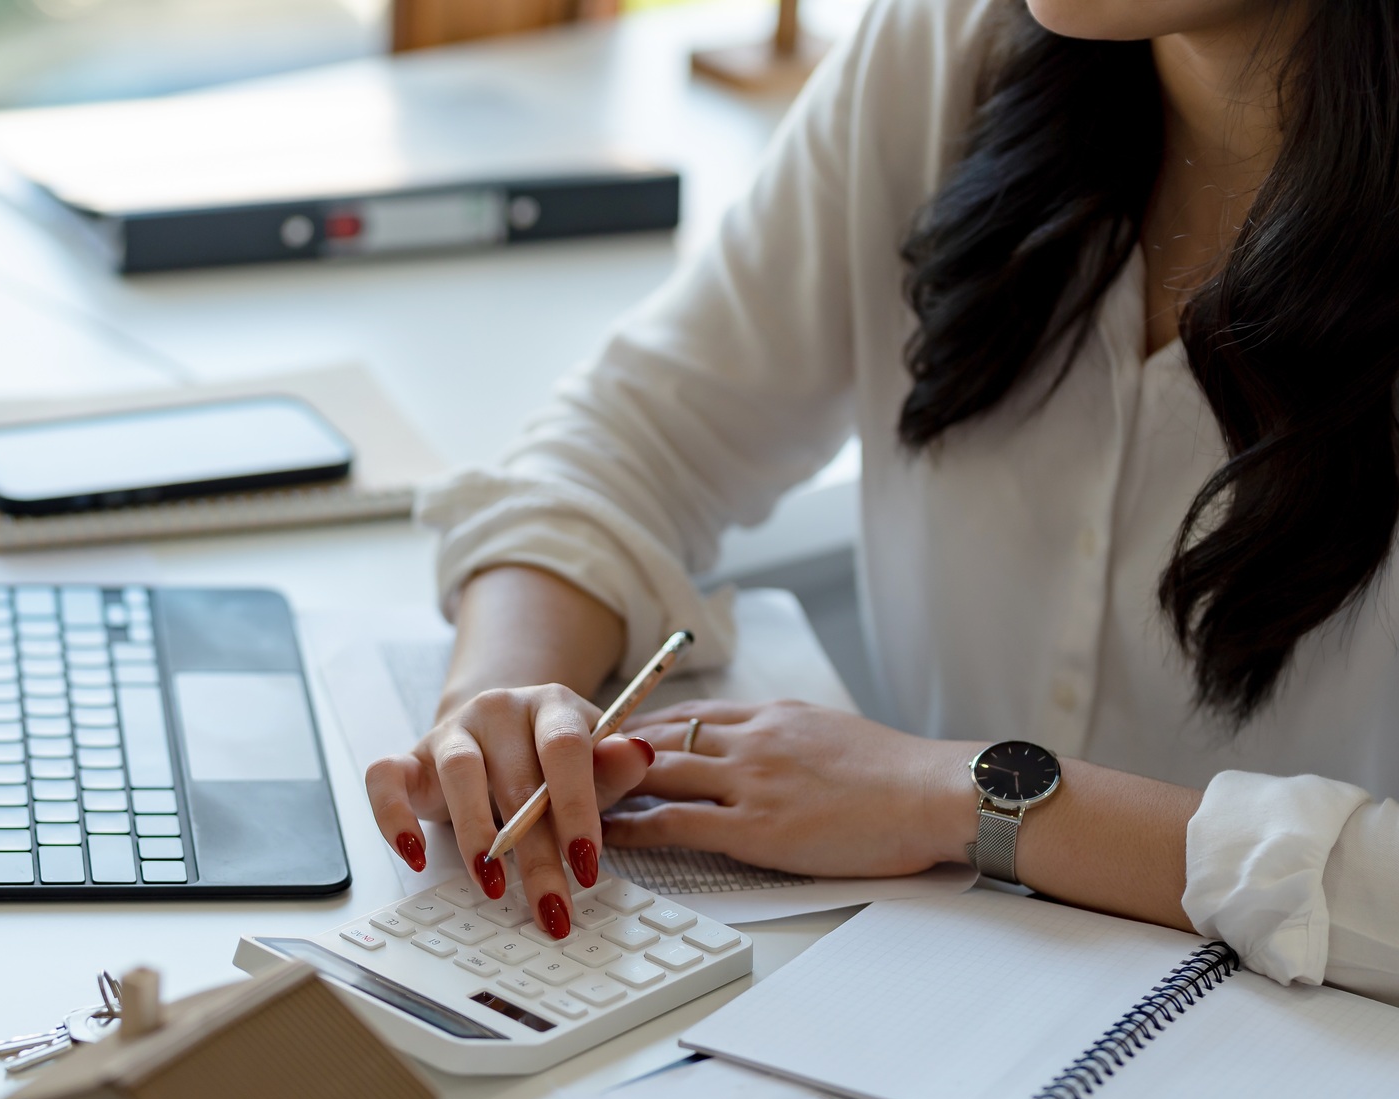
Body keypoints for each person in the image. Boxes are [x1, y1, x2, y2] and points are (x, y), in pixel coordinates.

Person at [365, 0, 1399, 1001]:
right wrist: (500, 710)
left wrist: (969, 798)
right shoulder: (944, 46)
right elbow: (638, 436)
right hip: (909, 1004)